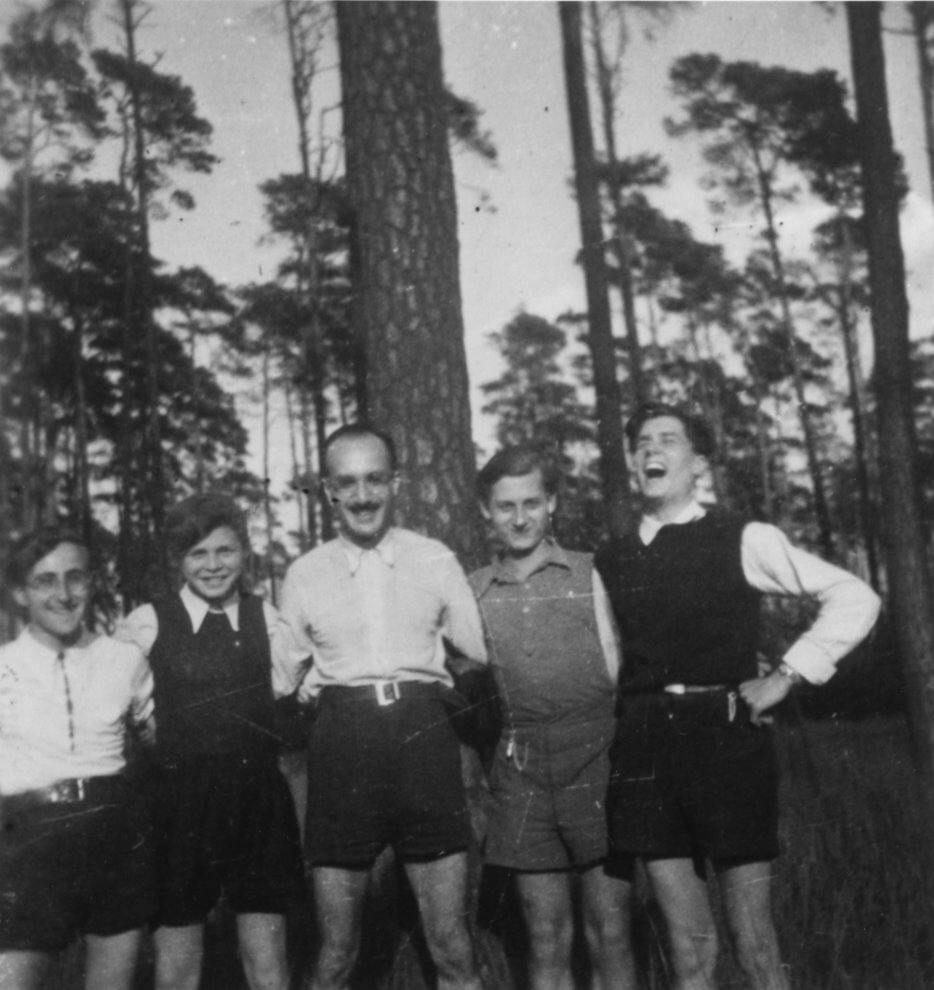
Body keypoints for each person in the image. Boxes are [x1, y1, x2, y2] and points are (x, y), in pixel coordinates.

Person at [594, 402, 882, 990]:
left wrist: (786, 673)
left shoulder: (742, 537)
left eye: (669, 440)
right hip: (647, 748)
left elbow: (855, 597)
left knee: (753, 941)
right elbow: (609, 660)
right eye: (642, 442)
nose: (652, 451)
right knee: (689, 947)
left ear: (698, 463)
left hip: (727, 744)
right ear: (630, 461)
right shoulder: (612, 557)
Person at [273, 423, 487, 990]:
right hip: (344, 747)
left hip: (423, 740)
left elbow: (480, 650)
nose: (363, 496)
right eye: (348, 483)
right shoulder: (304, 574)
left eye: (375, 480)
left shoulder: (435, 559)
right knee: (337, 951)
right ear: (328, 491)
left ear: (396, 482)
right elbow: (280, 678)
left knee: (452, 947)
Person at [117, 494, 303, 990]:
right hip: (179, 807)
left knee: (268, 962)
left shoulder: (268, 620)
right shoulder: (148, 624)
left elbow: (290, 693)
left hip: (258, 803)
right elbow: (128, 713)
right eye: (198, 553)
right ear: (178, 559)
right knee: (178, 969)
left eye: (226, 551)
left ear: (245, 552)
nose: (214, 565)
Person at [470, 445, 636, 990]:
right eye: (505, 506)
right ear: (485, 512)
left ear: (552, 504)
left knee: (609, 934)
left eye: (532, 503)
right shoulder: (472, 591)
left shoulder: (591, 572)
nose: (519, 518)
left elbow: (632, 663)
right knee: (546, 938)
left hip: (598, 762)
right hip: (521, 773)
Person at [0, 527, 155, 990]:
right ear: (19, 593)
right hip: (27, 843)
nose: (64, 594)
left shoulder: (124, 659)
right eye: (45, 581)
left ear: (92, 583)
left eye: (75, 578)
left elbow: (157, 740)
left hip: (112, 834)